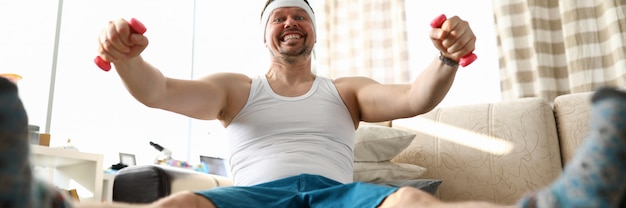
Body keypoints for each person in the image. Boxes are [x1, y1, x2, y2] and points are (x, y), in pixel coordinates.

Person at [79, 0, 626, 207]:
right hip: (253, 199)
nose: (290, 22)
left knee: (411, 201)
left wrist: (448, 58)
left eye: (301, 16)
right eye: (279, 16)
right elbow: (159, 91)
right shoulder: (234, 90)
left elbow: (415, 97)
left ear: (314, 32)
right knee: (177, 206)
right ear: (266, 33)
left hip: (339, 197)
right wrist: (125, 56)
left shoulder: (346, 92)